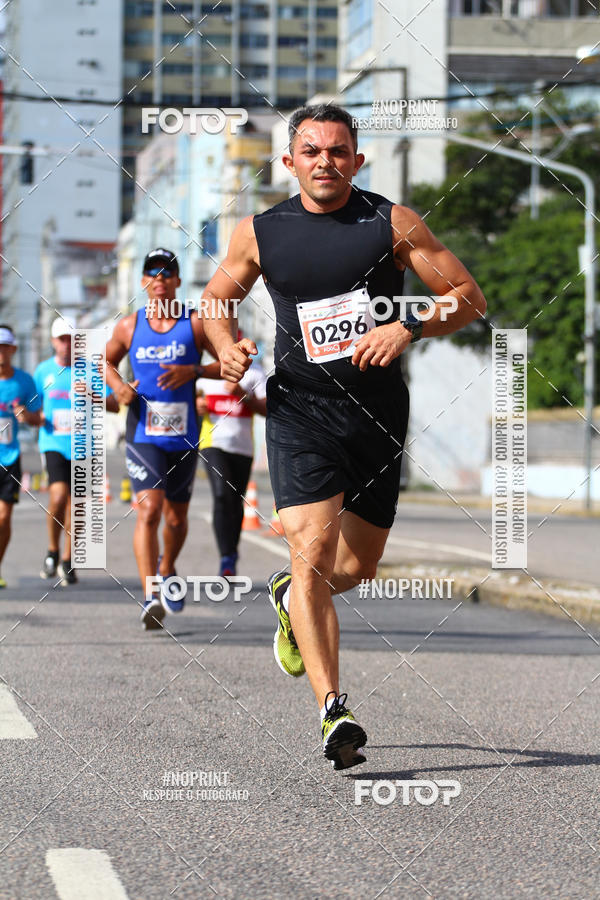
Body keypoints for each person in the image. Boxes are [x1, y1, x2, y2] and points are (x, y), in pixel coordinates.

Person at [201, 104, 487, 770]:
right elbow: (215, 300)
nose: (325, 161)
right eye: (311, 150)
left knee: (354, 568)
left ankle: (288, 600)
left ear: (357, 160)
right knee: (312, 551)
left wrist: (407, 326)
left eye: (338, 151)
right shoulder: (261, 231)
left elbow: (468, 297)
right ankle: (335, 709)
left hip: (378, 417)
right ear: (290, 161)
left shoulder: (391, 222)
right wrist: (226, 345)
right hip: (300, 412)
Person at [105, 248, 220, 630]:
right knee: (149, 510)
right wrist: (119, 386)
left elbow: (231, 362)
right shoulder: (128, 326)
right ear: (143, 281)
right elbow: (100, 360)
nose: (159, 278)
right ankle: (151, 594)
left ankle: (168, 566)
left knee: (176, 517)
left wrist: (195, 370)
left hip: (184, 436)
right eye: (151, 271)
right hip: (143, 433)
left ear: (177, 281)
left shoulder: (196, 323)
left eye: (167, 272)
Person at [35, 316, 119, 586]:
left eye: (71, 339)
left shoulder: (92, 371)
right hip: (54, 443)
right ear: (53, 342)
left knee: (78, 506)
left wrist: (94, 396)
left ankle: (69, 560)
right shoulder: (43, 372)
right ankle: (52, 549)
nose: (66, 345)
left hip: (85, 444)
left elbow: (116, 404)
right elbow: (31, 406)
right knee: (58, 496)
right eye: (62, 339)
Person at [196, 342, 267, 577]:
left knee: (236, 502)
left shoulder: (255, 372)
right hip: (213, 443)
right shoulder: (205, 375)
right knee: (221, 494)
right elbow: (186, 403)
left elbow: (267, 409)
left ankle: (231, 554)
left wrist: (243, 396)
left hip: (243, 447)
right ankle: (225, 556)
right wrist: (196, 405)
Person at [0, 325, 42, 587]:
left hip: (9, 457)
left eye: (5, 347)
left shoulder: (25, 381)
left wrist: (26, 416)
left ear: (14, 349)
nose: (1, 352)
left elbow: (39, 418)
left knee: (4, 517)